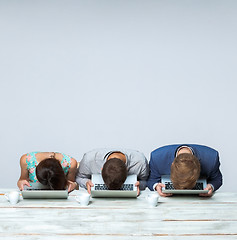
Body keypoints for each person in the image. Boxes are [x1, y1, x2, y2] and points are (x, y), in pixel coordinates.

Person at [147, 144, 223, 197]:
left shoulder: (212, 158)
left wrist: (211, 186)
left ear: (199, 167)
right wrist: (156, 186)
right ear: (171, 165)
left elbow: (217, 179)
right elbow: (151, 180)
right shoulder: (157, 157)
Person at [76, 148, 149, 195]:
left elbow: (147, 181)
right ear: (101, 170)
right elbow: (79, 178)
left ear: (127, 171)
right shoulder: (89, 159)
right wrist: (86, 183)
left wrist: (140, 185)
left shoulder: (140, 162)